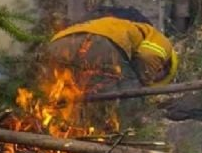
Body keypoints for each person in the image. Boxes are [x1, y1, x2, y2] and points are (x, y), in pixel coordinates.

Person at [46, 9, 179, 91]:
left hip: (57, 44)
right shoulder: (163, 43)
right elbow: (148, 56)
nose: (154, 78)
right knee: (128, 94)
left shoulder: (115, 25)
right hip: (97, 43)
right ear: (163, 67)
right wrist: (145, 82)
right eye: (157, 77)